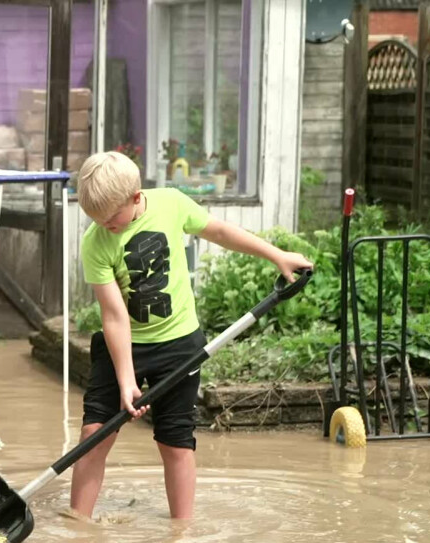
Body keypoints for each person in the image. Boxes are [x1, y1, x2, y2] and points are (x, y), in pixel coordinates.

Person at [69, 151, 313, 520]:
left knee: (175, 441)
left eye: (112, 219)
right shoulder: (95, 241)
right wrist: (126, 380)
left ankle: (181, 537)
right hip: (124, 345)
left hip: (179, 345)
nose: (106, 226)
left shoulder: (171, 203)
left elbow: (218, 231)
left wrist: (275, 254)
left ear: (136, 198)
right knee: (95, 434)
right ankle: (78, 530)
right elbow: (114, 316)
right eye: (97, 220)